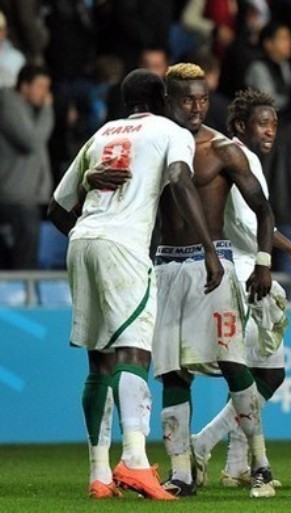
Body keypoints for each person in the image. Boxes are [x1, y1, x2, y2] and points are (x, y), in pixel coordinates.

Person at [47, 68, 223, 501]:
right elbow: (181, 181)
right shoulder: (170, 130)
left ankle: (100, 475)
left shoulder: (101, 134)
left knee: (99, 363)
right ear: (164, 98)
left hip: (82, 241)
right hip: (123, 248)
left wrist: (93, 228)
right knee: (133, 353)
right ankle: (137, 462)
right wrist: (209, 248)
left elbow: (55, 208)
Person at [150, 63, 277, 499]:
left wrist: (263, 261)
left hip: (215, 267)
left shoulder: (222, 149)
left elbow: (263, 209)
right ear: (168, 101)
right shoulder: (153, 145)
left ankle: (260, 464)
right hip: (167, 266)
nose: (197, 107)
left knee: (234, 366)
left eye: (203, 98)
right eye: (187, 99)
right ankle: (182, 472)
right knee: (173, 374)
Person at [190, 88, 291, 492]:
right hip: (246, 274)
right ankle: (205, 443)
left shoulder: (230, 154)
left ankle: (236, 465)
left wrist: (286, 247)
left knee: (258, 372)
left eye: (274, 124)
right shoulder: (243, 159)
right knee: (267, 374)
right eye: (263, 123)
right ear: (242, 125)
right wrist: (275, 255)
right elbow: (246, 223)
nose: (270, 130)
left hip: (237, 269)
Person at [0, 64, 52, 269]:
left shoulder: (29, 110)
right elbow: (30, 142)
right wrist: (48, 112)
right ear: (24, 86)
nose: (45, 94)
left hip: (26, 196)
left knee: (20, 258)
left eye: (47, 87)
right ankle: (22, 299)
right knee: (24, 264)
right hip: (15, 196)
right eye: (40, 87)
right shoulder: (9, 104)